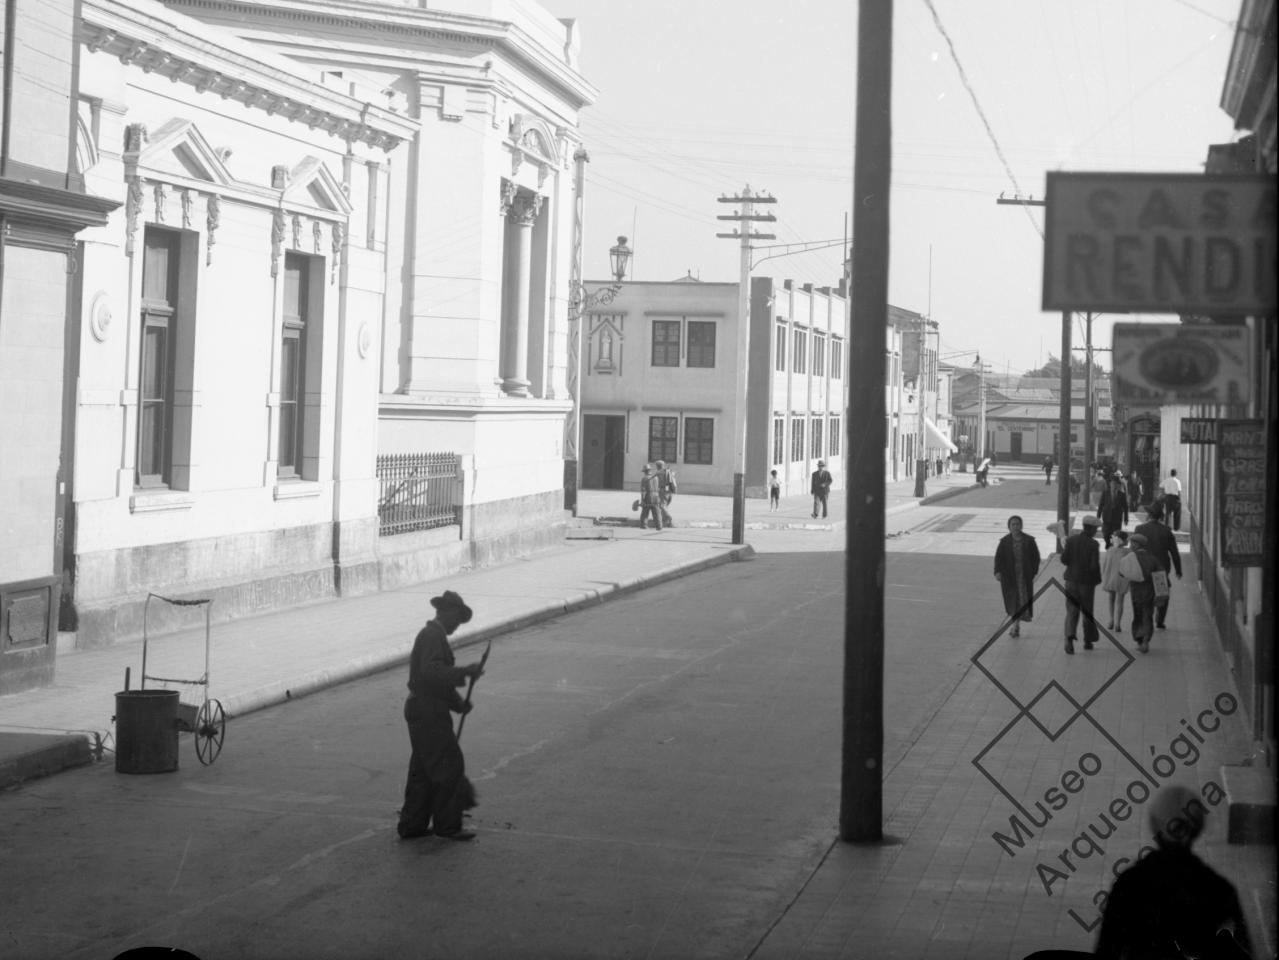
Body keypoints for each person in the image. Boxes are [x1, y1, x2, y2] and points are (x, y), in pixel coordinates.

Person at [1095, 784, 1252, 959]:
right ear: (1197, 829)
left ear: (1155, 825)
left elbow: (1106, 949)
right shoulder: (1220, 890)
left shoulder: (1128, 884)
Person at [398, 590, 485, 841]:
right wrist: (464, 672)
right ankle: (447, 826)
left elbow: (437, 681)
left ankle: (412, 825)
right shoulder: (431, 636)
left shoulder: (434, 636)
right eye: (457, 619)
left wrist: (458, 704)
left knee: (423, 770)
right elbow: (432, 673)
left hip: (425, 708)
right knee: (448, 765)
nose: (458, 625)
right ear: (446, 613)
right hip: (427, 711)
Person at [1134, 502, 1182, 630]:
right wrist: (1178, 569)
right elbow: (1174, 552)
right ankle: (1160, 620)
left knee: (1144, 595)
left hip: (1143, 569)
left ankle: (1146, 617)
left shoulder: (1139, 529)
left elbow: (1134, 550)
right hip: (1161, 569)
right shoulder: (1166, 531)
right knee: (1162, 594)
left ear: (1149, 515)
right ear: (1160, 517)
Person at [993, 515, 1041, 638]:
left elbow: (1036, 558)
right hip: (1009, 577)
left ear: (1022, 525)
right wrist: (997, 572)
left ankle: (1015, 626)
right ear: (1009, 527)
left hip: (1023, 577)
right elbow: (998, 558)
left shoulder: (1029, 541)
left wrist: (1033, 572)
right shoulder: (1004, 542)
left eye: (1017, 524)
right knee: (1012, 601)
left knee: (1021, 601)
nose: (1015, 526)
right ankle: (1015, 625)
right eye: (1013, 524)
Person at [1060, 514, 1102, 654]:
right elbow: (1094, 566)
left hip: (1071, 581)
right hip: (1086, 584)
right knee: (1087, 611)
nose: (1096, 531)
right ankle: (1088, 641)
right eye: (1096, 529)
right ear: (1091, 529)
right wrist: (1096, 580)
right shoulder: (1093, 544)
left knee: (1071, 610)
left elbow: (1064, 559)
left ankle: (1069, 640)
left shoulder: (1071, 540)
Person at [1120, 533, 1159, 652]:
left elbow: (1121, 572)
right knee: (1147, 615)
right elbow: (1160, 576)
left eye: (1132, 543)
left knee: (1138, 614)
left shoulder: (1130, 558)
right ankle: (1146, 639)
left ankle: (1139, 639)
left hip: (1136, 591)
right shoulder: (1152, 558)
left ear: (1137, 544)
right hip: (1149, 591)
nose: (1130, 545)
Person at [1100, 530, 1131, 632]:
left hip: (1111, 577)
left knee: (1111, 599)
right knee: (1120, 600)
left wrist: (1104, 575)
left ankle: (1111, 620)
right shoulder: (1128, 552)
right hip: (1122, 578)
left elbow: (1105, 565)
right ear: (1124, 540)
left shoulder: (1110, 550)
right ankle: (1118, 623)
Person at [1097, 473, 1129, 548]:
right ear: (1110, 484)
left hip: (1117, 518)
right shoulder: (1105, 493)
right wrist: (1098, 515)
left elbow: (1125, 507)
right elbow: (1101, 504)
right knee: (1106, 534)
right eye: (1112, 483)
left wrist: (1126, 519)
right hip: (1107, 517)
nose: (1114, 485)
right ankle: (1108, 544)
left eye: (1116, 484)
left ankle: (1113, 548)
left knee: (1116, 536)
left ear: (1118, 485)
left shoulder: (1122, 494)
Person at [638, 464, 663, 531]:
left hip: (648, 497)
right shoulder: (656, 478)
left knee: (645, 512)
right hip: (656, 497)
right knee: (657, 512)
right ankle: (659, 526)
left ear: (645, 471)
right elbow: (659, 488)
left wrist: (642, 500)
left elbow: (643, 491)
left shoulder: (644, 479)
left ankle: (643, 525)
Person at [654, 458, 677, 527]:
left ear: (657, 466)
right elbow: (673, 482)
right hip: (669, 491)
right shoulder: (668, 472)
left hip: (662, 491)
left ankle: (668, 517)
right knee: (665, 505)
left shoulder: (658, 473)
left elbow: (655, 483)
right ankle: (665, 521)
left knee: (662, 505)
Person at [1162, 467, 1183, 531]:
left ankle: (1167, 527)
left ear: (1170, 473)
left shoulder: (1166, 480)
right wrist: (1180, 499)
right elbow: (1179, 491)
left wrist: (1164, 493)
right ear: (1176, 474)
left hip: (1168, 497)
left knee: (1168, 513)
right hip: (1175, 498)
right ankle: (1176, 528)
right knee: (1177, 513)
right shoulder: (1177, 481)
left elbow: (1161, 486)